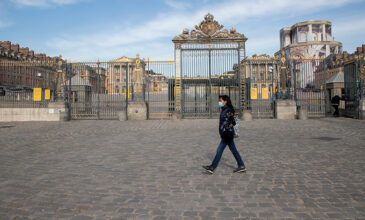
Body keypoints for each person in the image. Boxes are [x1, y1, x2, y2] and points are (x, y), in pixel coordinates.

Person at [203, 95, 246, 174]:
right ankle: (241, 165)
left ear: (225, 101)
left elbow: (233, 121)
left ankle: (212, 167)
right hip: (226, 133)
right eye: (219, 100)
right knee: (234, 150)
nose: (219, 102)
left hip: (227, 134)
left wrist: (228, 128)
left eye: (220, 100)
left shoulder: (228, 110)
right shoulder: (224, 109)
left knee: (219, 150)